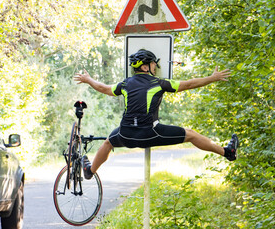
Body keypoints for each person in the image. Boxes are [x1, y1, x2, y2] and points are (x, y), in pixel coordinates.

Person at [74, 49, 239, 180]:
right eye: (153, 64)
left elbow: (103, 88)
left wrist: (88, 79)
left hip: (125, 134)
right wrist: (212, 78)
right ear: (145, 67)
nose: (156, 67)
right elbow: (189, 84)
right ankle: (228, 152)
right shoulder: (159, 83)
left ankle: (90, 171)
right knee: (191, 135)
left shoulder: (124, 84)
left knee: (108, 143)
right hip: (149, 133)